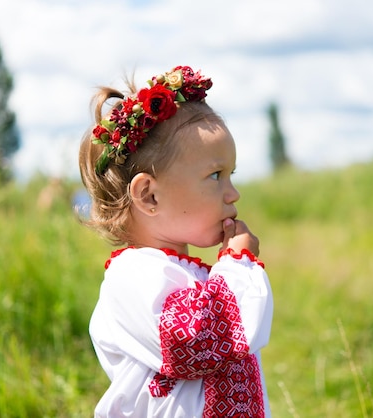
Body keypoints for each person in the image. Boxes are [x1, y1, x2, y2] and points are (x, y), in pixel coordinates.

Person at [78, 65, 274, 417]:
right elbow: (195, 342)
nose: (233, 194)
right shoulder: (133, 276)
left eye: (231, 174)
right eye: (215, 176)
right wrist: (238, 264)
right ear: (149, 196)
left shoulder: (202, 279)